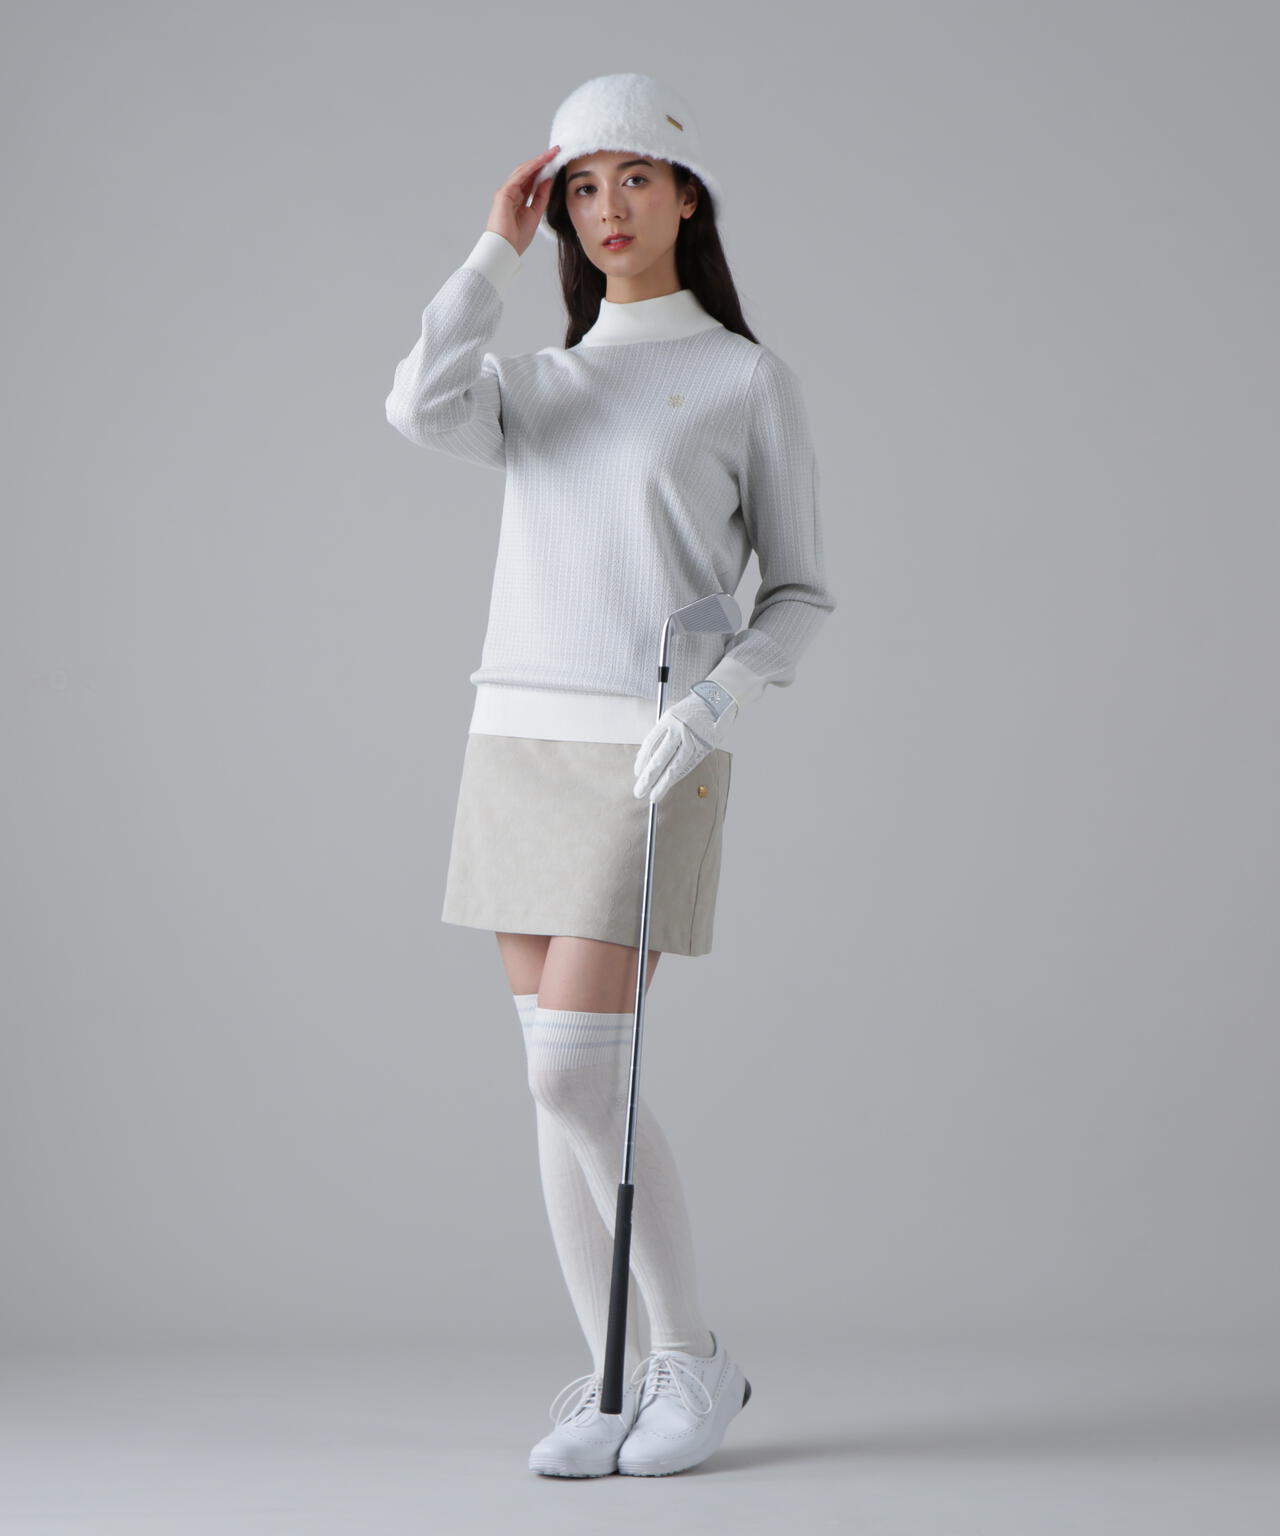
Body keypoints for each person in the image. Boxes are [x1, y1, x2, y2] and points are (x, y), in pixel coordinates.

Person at [385, 72, 836, 1478]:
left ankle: (693, 1360)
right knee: (550, 1083)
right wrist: (493, 250)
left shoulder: (746, 379)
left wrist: (713, 707)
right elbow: (415, 402)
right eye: (580, 187)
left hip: (649, 751)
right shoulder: (541, 384)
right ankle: (609, 1379)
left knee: (579, 1072)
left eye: (633, 177)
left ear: (685, 196)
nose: (607, 207)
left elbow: (800, 594)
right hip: (515, 740)